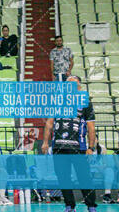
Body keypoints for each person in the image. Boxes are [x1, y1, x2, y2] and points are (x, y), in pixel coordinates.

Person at [42, 76, 97, 212]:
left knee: (84, 177)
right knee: (63, 178)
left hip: (79, 147)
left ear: (79, 87)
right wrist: (45, 142)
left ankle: (90, 205)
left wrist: (91, 147)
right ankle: (69, 206)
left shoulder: (85, 103)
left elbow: (91, 127)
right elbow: (49, 122)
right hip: (59, 147)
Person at [89, 136, 114, 204]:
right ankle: (88, 196)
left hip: (99, 169)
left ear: (97, 141)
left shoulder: (102, 148)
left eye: (95, 139)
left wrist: (101, 167)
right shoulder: (85, 148)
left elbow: (105, 163)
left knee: (109, 171)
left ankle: (107, 195)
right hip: (89, 169)